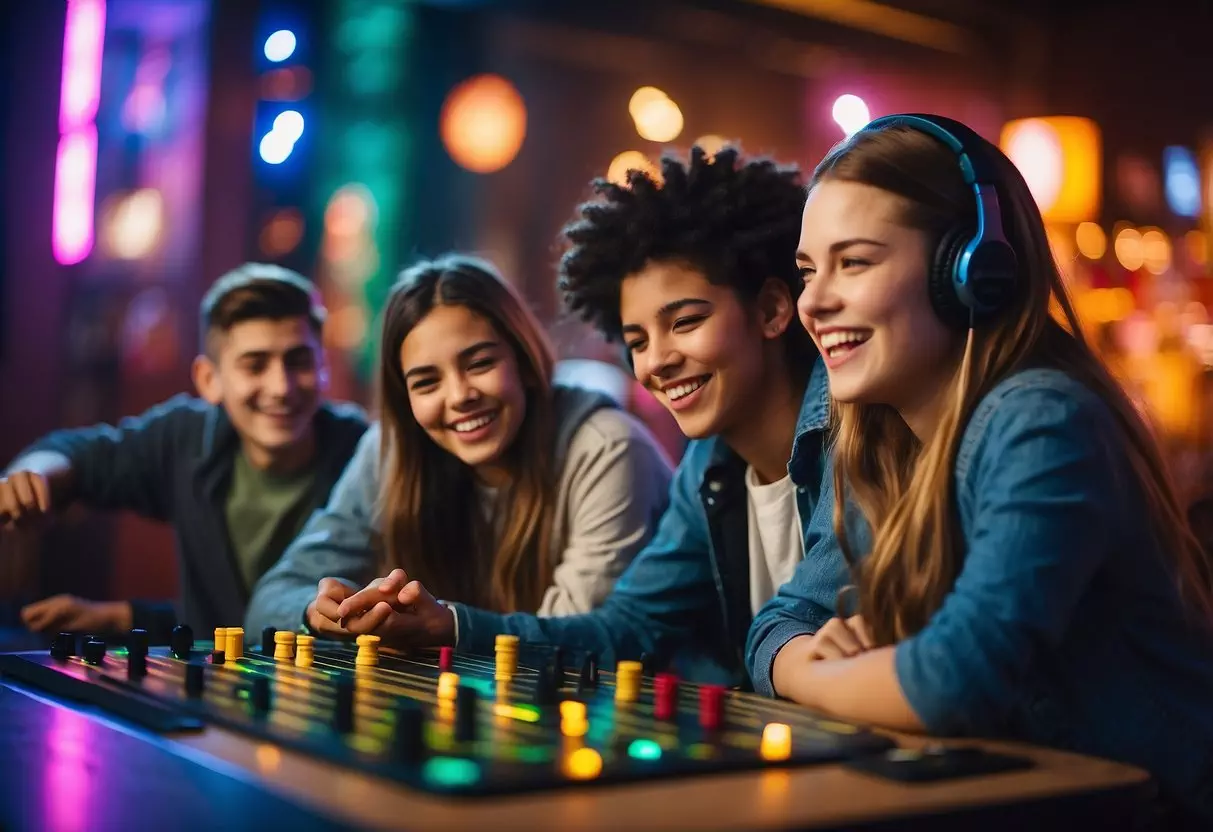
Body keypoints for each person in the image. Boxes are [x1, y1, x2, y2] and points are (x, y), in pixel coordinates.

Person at [746, 114, 1213, 824]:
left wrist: (820, 676)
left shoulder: (1043, 421)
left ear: (970, 272)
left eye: (856, 262)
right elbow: (776, 626)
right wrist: (818, 656)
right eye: (809, 270)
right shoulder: (882, 438)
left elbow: (951, 682)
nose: (812, 302)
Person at [327, 146, 831, 686]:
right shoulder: (709, 467)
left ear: (773, 310)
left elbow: (803, 624)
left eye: (684, 322)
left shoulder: (859, 438)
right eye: (637, 340)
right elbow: (627, 630)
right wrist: (448, 625)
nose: (656, 361)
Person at [245, 255, 672, 637]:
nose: (459, 395)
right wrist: (314, 612)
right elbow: (271, 598)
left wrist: (449, 626)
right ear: (405, 399)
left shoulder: (606, 448)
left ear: (523, 361)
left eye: (480, 363)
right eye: (427, 382)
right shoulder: (388, 451)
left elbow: (580, 641)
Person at [1, 264, 368, 642]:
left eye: (298, 361)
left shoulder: (364, 453)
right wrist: (30, 475)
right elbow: (79, 455)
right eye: (254, 365)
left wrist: (126, 617)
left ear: (323, 366)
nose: (281, 386)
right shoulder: (184, 439)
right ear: (210, 380)